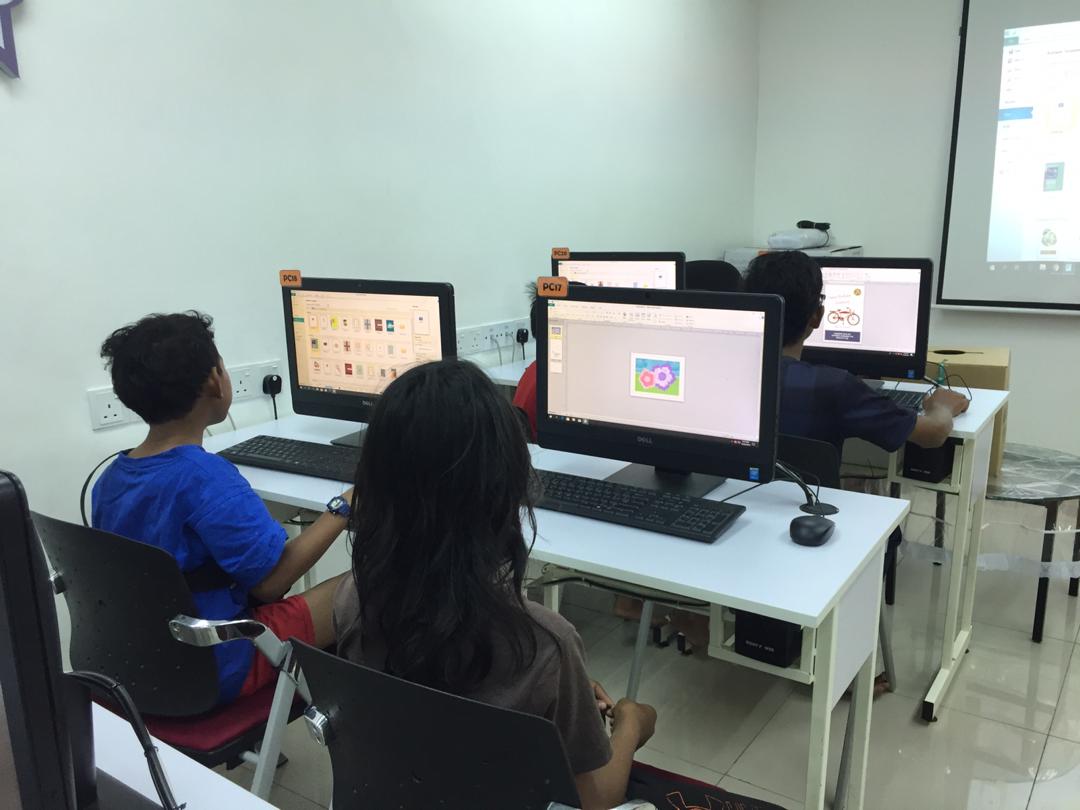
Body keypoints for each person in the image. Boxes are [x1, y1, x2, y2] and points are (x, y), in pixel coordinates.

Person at [333, 359, 657, 810]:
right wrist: (632, 724)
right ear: (508, 487)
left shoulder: (353, 598)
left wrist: (563, 688)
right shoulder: (547, 645)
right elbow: (596, 798)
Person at [92, 312, 350, 705]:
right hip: (220, 658)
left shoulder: (111, 479)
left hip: (145, 659)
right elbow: (271, 583)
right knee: (371, 585)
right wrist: (345, 506)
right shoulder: (205, 477)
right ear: (215, 380)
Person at [743, 251, 969, 451]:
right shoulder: (835, 387)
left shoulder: (727, 369)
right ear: (817, 315)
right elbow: (932, 434)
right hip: (805, 488)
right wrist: (942, 406)